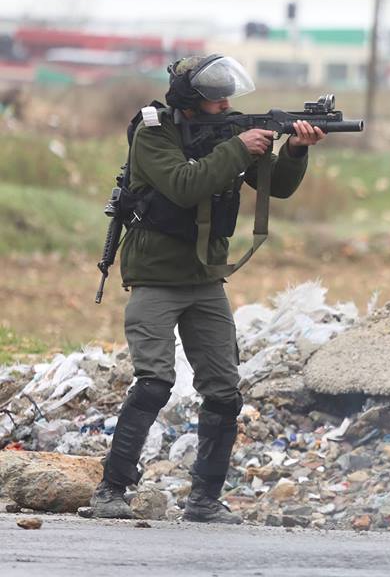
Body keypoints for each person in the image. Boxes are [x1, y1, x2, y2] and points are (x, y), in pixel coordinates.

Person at [90, 54, 326, 523]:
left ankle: (204, 500)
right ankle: (110, 490)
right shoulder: (153, 131)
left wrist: (295, 149)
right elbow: (182, 184)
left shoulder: (226, 134)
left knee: (224, 392)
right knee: (155, 383)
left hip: (205, 278)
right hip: (157, 276)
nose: (224, 105)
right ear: (191, 102)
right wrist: (239, 147)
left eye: (227, 98)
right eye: (215, 99)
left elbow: (274, 187)